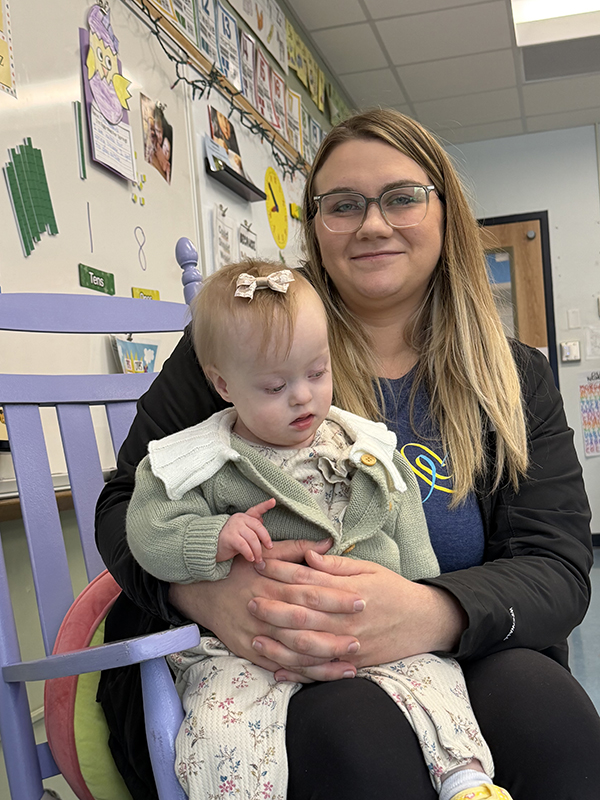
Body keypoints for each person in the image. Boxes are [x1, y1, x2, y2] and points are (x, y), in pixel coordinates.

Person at [96, 109, 600, 800]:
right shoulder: (244, 344)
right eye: (343, 205)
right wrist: (212, 592)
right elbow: (126, 505)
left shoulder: (515, 377)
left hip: (456, 650)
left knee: (551, 720)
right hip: (267, 666)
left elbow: (558, 567)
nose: (372, 223)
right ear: (316, 225)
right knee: (358, 737)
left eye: (402, 197)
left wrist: (429, 611)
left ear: (446, 211)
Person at [125, 260, 508, 800]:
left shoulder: (364, 445)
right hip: (252, 649)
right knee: (221, 719)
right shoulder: (197, 460)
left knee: (433, 678)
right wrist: (210, 539)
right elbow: (146, 530)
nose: (303, 396)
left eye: (317, 372)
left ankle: (465, 778)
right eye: (276, 385)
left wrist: (416, 592)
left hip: (372, 629)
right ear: (222, 384)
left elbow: (405, 518)